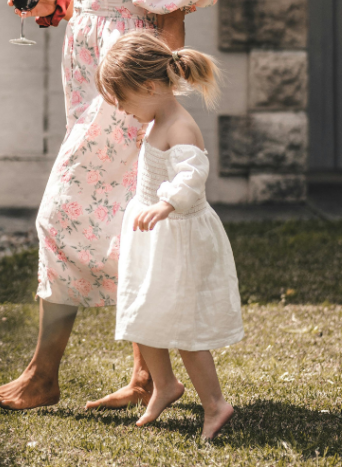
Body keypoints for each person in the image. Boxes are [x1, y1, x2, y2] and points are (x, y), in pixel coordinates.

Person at [0, 0, 219, 411]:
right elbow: (91, 2)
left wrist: (148, 107)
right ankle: (146, 377)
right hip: (86, 87)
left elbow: (167, 28)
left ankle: (42, 376)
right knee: (119, 223)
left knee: (59, 215)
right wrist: (52, 4)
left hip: (124, 95)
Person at [98, 31, 242, 441]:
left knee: (184, 328)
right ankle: (165, 385)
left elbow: (191, 175)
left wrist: (165, 205)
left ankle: (215, 404)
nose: (123, 109)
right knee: (146, 315)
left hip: (177, 237)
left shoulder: (179, 126)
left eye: (124, 100)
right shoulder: (158, 118)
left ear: (148, 86)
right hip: (154, 235)